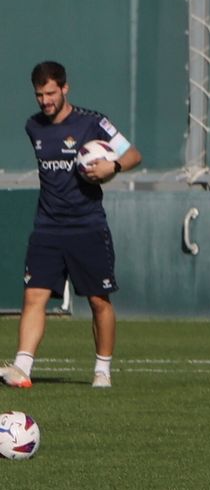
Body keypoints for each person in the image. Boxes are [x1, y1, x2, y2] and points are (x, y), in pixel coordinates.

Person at [2, 62, 142, 390]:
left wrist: (113, 166)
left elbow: (134, 154)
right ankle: (22, 367)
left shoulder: (93, 122)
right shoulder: (33, 127)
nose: (45, 100)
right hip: (47, 226)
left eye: (51, 93)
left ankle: (102, 370)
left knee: (98, 300)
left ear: (65, 89)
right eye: (39, 95)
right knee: (34, 295)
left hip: (87, 225)